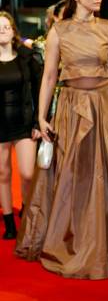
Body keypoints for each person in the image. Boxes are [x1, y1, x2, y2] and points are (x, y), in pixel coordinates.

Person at [15, 0, 108, 279]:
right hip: (70, 106)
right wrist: (41, 117)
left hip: (106, 105)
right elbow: (50, 77)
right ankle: (74, 240)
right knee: (73, 175)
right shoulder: (59, 31)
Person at [0, 12, 42, 239]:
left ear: (13, 30)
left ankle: (26, 212)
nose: (3, 31)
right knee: (3, 173)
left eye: (6, 27)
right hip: (0, 126)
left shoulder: (26, 58)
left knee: (27, 173)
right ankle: (9, 222)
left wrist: (38, 121)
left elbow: (39, 88)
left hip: (24, 123)